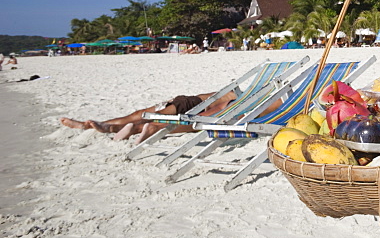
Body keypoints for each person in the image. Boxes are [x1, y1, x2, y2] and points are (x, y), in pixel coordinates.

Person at [59, 91, 283, 142]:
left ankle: (117, 126)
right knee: (198, 117)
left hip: (224, 103)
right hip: (214, 102)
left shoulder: (276, 97)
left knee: (160, 112)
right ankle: (126, 127)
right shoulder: (282, 98)